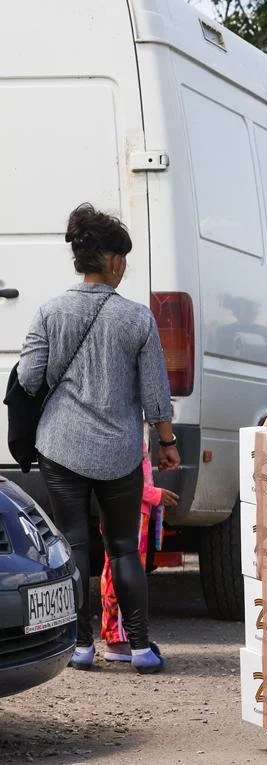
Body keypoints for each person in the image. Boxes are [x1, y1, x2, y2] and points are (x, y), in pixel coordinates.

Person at [18, 203, 179, 673]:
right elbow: (155, 394)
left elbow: (29, 378)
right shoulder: (136, 319)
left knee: (72, 543)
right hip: (119, 452)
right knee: (124, 546)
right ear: (111, 261)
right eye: (123, 258)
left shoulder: (49, 311)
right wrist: (166, 443)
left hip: (60, 447)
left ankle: (81, 645)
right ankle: (142, 648)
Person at [100, 434, 179, 662]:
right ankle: (119, 639)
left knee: (121, 570)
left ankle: (120, 637)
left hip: (134, 510)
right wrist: (156, 495)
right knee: (124, 573)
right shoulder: (121, 430)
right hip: (130, 511)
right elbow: (121, 481)